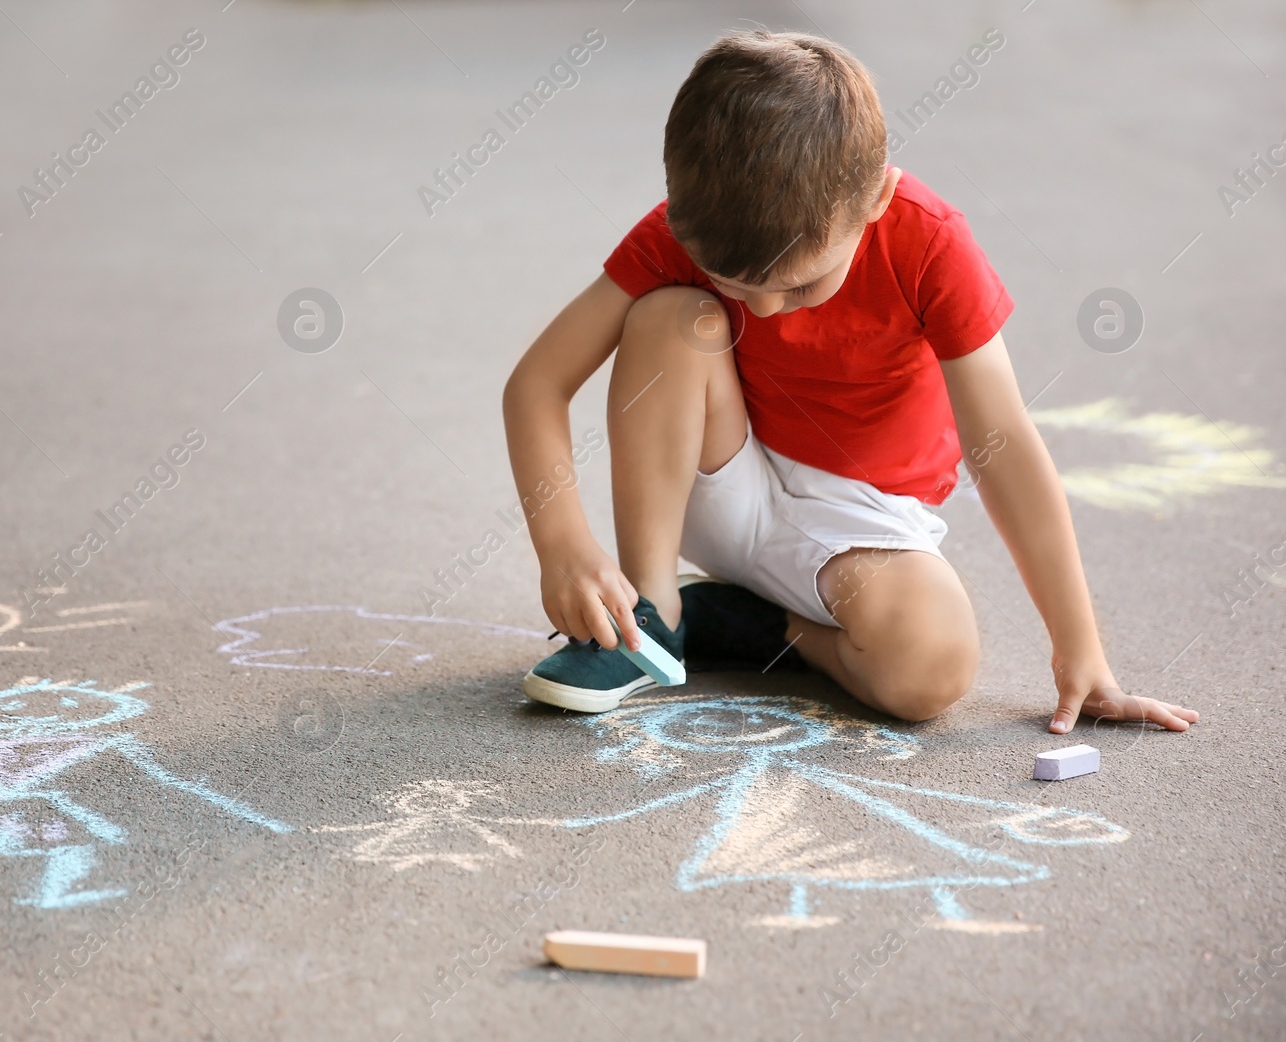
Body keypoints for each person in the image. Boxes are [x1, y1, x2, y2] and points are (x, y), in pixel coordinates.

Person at [501, 29, 1197, 735]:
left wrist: (1079, 648)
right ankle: (653, 616)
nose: (765, 310)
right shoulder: (695, 224)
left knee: (935, 664)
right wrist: (564, 550)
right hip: (718, 474)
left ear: (876, 198)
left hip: (862, 521)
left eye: (800, 287)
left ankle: (762, 628)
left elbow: (1005, 444)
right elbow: (536, 383)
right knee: (670, 318)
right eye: (733, 285)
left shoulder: (928, 242)